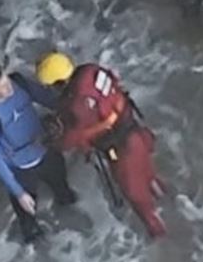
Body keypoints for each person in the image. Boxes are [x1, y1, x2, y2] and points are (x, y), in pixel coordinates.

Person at [36, 51, 168, 239]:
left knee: (136, 195)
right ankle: (164, 195)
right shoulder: (90, 70)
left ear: (58, 83)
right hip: (136, 131)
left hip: (122, 152)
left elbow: (72, 138)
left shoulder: (76, 104)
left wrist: (53, 141)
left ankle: (159, 233)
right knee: (148, 172)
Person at [0, 59, 78, 242]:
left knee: (64, 192)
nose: (9, 87)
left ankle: (73, 222)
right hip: (21, 169)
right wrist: (19, 192)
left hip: (46, 150)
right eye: (2, 87)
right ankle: (34, 246)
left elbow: (50, 100)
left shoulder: (19, 83)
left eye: (6, 80)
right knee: (28, 218)